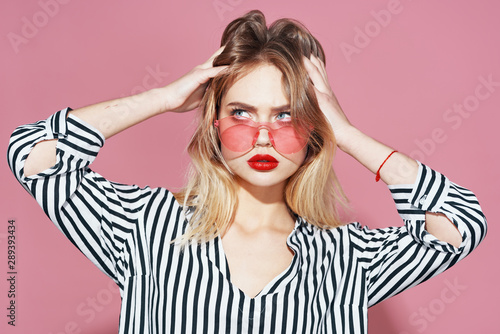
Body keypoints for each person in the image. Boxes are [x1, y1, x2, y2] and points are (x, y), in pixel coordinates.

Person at [7, 10, 486, 334]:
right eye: (241, 113)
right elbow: (33, 154)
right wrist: (164, 98)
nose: (261, 136)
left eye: (284, 116)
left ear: (312, 133)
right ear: (214, 127)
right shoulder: (146, 228)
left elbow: (458, 226)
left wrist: (345, 130)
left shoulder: (349, 256)